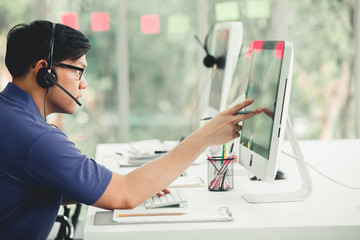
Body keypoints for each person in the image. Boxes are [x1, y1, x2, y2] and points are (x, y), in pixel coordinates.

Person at [0, 20, 262, 239]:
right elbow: (125, 195)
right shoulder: (36, 139)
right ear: (45, 72)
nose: (84, 84)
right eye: (79, 71)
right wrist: (205, 136)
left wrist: (134, 182)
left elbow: (26, 187)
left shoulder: (10, 115)